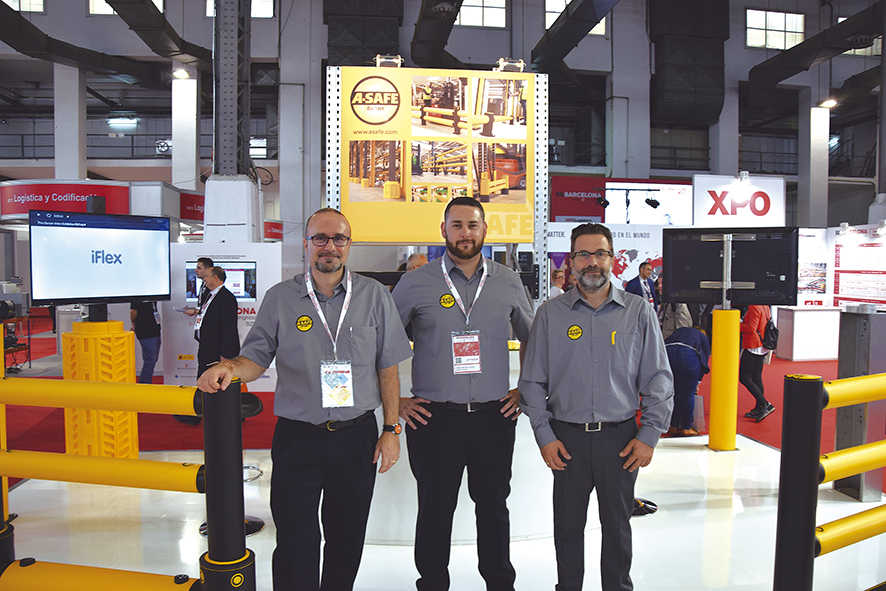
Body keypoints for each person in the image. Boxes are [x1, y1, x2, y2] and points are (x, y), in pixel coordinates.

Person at [197, 208, 412, 591]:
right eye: (320, 238)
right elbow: (255, 360)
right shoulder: (281, 298)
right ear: (306, 244)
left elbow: (388, 368)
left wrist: (391, 429)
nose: (329, 246)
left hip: (356, 439)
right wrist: (229, 368)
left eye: (338, 238)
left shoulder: (375, 296)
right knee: (295, 539)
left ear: (349, 244)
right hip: (297, 438)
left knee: (346, 537)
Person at [519, 222, 673, 591]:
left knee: (618, 528)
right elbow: (532, 381)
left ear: (613, 258)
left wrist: (649, 435)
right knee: (567, 528)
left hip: (620, 440)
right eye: (584, 254)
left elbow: (658, 378)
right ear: (571, 262)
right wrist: (544, 435)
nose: (592, 262)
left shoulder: (638, 311)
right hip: (566, 440)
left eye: (600, 253)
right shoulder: (550, 315)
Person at [392, 196, 533, 591]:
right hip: (434, 419)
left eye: (472, 225)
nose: (465, 233)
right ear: (443, 230)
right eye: (457, 225)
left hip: (493, 417)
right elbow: (380, 344)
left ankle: (500, 583)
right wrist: (397, 402)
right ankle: (432, 583)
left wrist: (524, 390)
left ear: (484, 230)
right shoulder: (416, 282)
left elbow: (533, 338)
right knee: (435, 510)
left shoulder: (507, 281)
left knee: (493, 507)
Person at [181, 266, 240, 426]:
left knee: (214, 381)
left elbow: (229, 328)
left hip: (217, 350)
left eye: (206, 276)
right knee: (204, 378)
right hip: (207, 346)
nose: (203, 279)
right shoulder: (210, 295)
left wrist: (226, 355)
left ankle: (207, 413)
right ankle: (204, 411)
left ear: (216, 278)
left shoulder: (226, 298)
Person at [665, 327, 710, 437]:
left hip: (667, 354)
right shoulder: (703, 337)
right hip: (688, 357)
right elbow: (704, 360)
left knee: (673, 393)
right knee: (688, 394)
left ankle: (673, 425)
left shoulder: (679, 332)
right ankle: (686, 427)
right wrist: (698, 381)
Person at [739, 305, 774, 422]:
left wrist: (736, 324)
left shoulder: (754, 307)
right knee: (756, 377)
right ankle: (759, 407)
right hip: (762, 345)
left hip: (753, 345)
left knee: (744, 377)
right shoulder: (765, 306)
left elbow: (750, 328)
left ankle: (764, 403)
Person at [130, 299, 161, 384]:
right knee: (150, 359)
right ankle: (144, 383)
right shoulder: (138, 296)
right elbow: (133, 312)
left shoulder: (154, 295)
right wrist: (133, 325)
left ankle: (145, 381)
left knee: (153, 358)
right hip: (144, 330)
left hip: (155, 329)